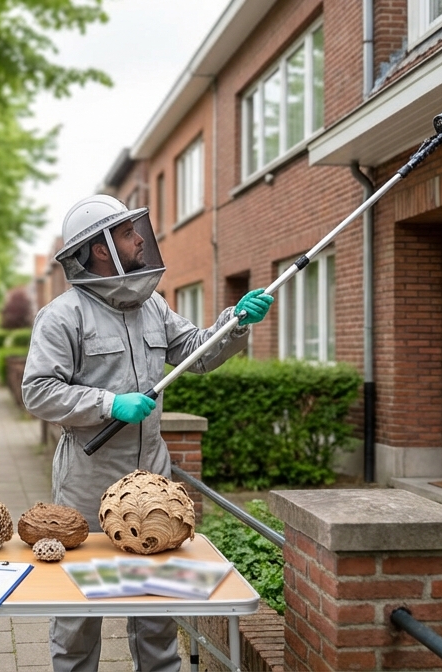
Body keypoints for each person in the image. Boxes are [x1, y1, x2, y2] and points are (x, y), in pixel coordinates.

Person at [22, 194, 273, 672]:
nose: (140, 239)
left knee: (157, 601)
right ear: (101, 248)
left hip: (153, 477)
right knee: (79, 604)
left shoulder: (153, 306)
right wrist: (108, 403)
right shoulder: (62, 316)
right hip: (87, 480)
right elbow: (37, 392)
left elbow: (198, 353)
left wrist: (235, 323)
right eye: (127, 233)